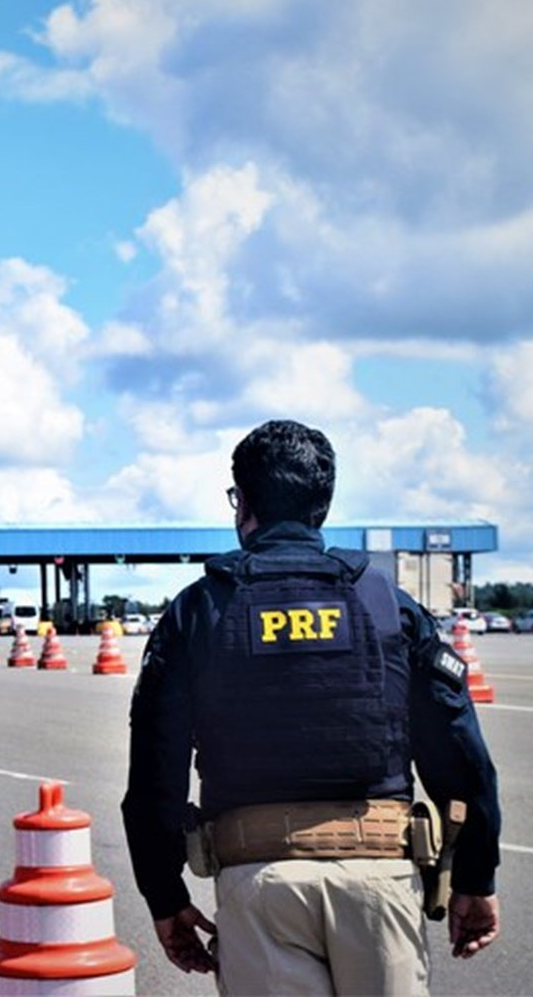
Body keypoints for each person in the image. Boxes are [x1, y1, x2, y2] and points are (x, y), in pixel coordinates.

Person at [121, 420, 500, 995]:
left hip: (258, 881)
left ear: (241, 502)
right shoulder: (386, 605)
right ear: (323, 504)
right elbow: (459, 752)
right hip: (382, 881)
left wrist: (164, 896)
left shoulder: (199, 611)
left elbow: (155, 770)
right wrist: (476, 873)